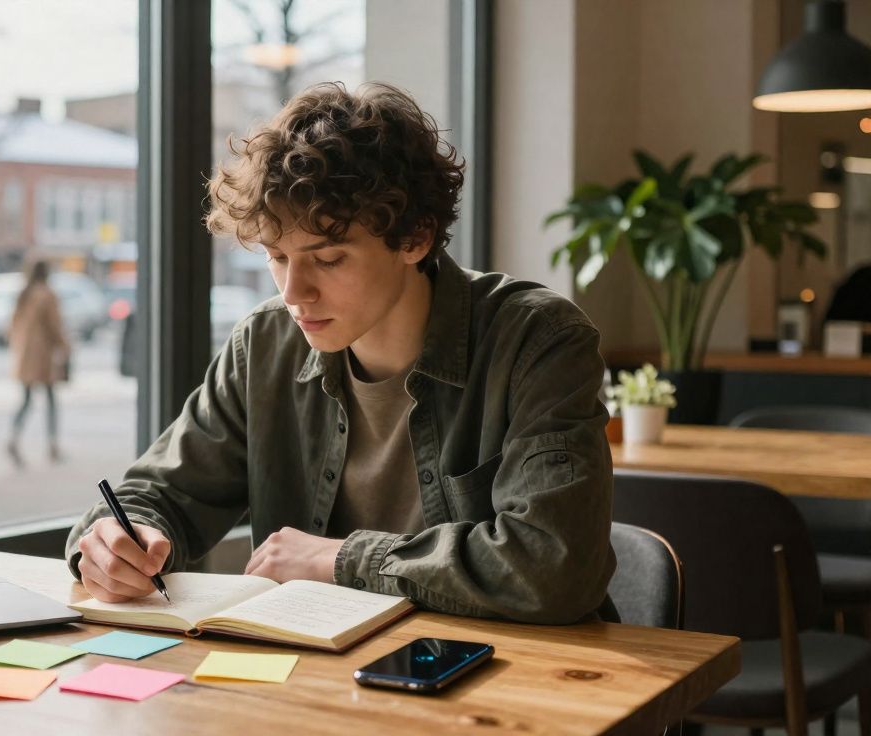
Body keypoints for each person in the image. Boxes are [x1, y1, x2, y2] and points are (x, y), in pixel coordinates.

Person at [64, 82, 616, 625]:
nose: (292, 292)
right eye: (277, 256)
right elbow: (160, 493)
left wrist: (338, 559)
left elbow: (553, 567)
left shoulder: (537, 339)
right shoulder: (265, 345)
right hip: (323, 678)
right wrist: (120, 539)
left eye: (327, 258)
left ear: (415, 238)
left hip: (515, 680)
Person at [6, 259, 70, 466]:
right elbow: (55, 325)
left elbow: (11, 327)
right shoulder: (47, 295)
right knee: (51, 400)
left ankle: (13, 438)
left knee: (25, 400)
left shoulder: (23, 294)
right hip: (43, 356)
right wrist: (65, 347)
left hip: (25, 355)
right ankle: (52, 445)